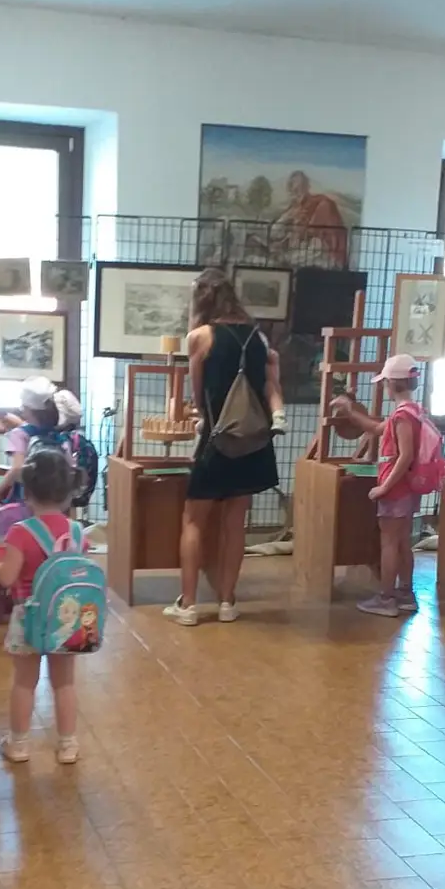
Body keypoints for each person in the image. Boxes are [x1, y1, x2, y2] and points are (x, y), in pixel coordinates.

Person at [163, 268, 280, 627]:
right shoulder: (258, 338)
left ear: (201, 299)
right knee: (235, 522)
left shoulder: (200, 337)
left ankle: (188, 604)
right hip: (252, 440)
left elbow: (200, 398)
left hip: (217, 440)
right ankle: (228, 601)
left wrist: (201, 414)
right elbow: (267, 386)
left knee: (193, 521)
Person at [0, 450, 88, 764]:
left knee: (24, 683)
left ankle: (19, 744)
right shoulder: (77, 532)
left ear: (26, 491)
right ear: (67, 491)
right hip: (66, 617)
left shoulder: (21, 532)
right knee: (64, 683)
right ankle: (68, 745)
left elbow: (6, 576)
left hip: (28, 617)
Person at [334, 353, 423, 618]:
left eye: (385, 382)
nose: (384, 386)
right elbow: (375, 429)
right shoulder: (412, 411)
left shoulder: (402, 417)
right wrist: (350, 411)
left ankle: (386, 598)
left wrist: (385, 488)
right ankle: (405, 594)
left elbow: (405, 455)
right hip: (408, 489)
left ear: (393, 383)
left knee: (390, 544)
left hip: (396, 489)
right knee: (403, 542)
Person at [0, 376, 70, 506]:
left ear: (26, 408)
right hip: (54, 498)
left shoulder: (20, 434)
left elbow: (17, 468)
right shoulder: (59, 437)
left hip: (27, 499)